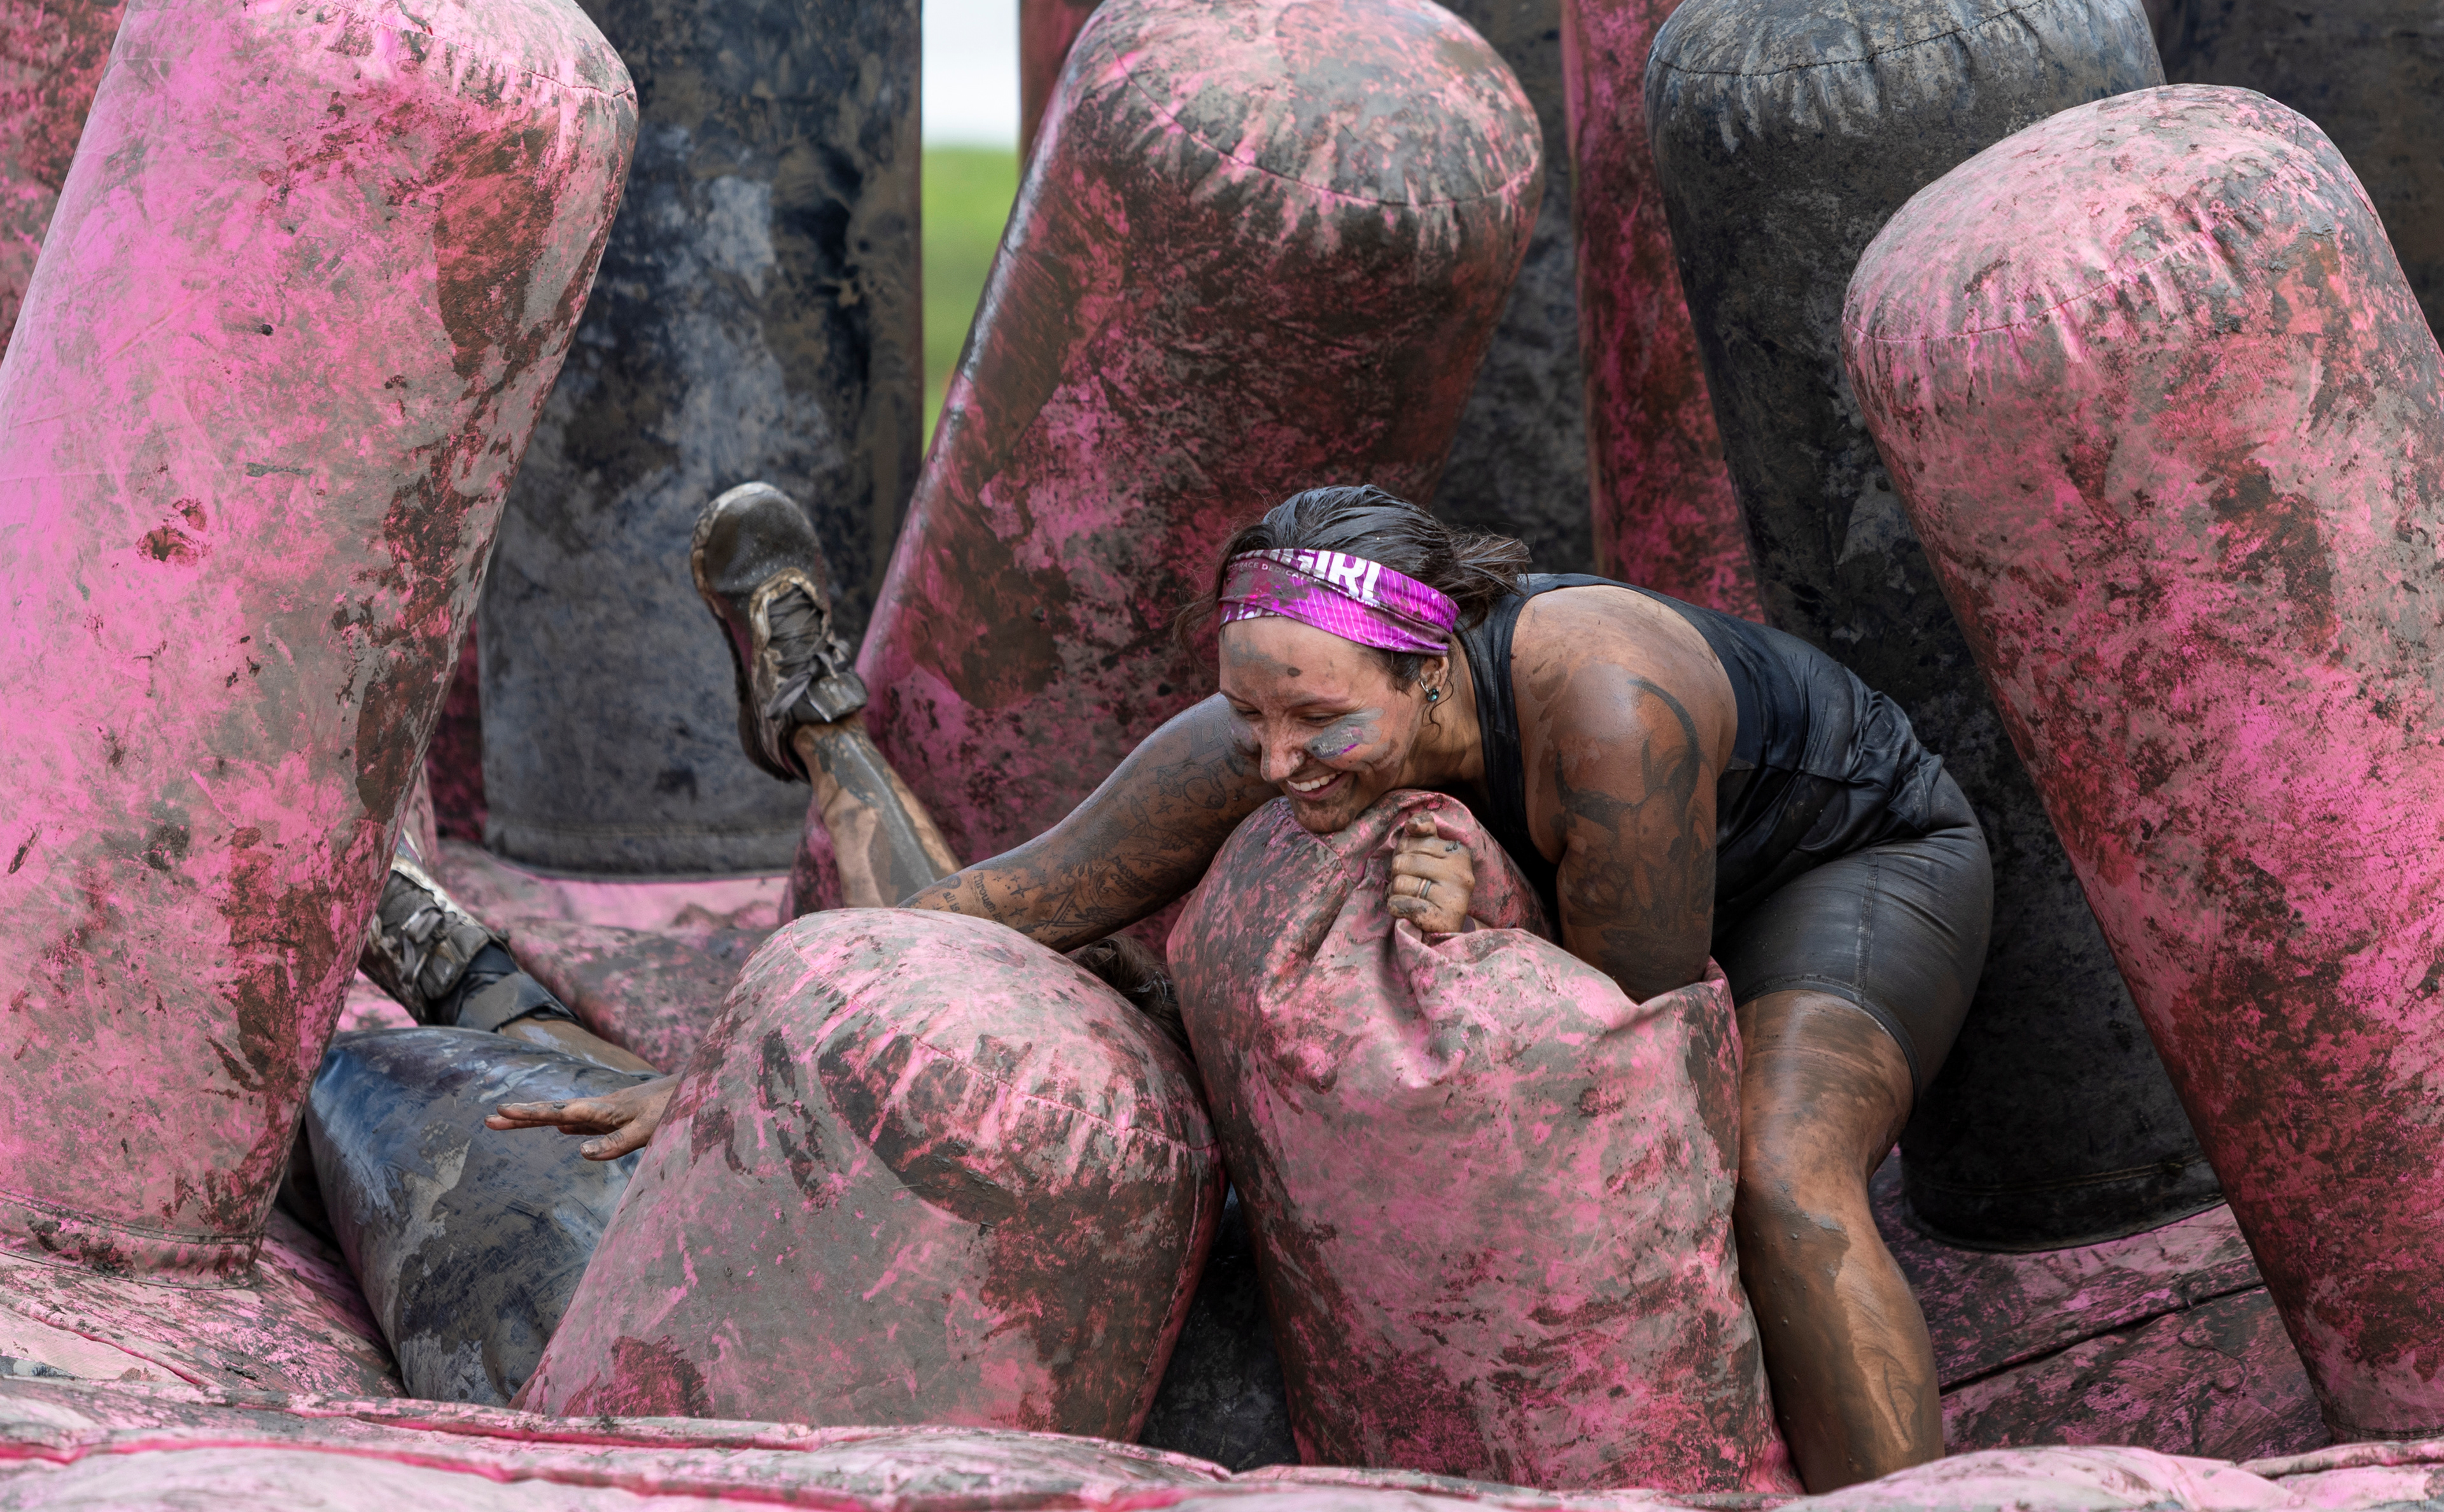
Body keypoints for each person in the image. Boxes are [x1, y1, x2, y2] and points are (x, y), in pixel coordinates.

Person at [495, 480, 1991, 1490]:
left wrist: (1489, 909)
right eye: (1249, 716)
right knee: (1029, 966)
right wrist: (723, 1070)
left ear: (1430, 669)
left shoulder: (1611, 712)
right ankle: (825, 732)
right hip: (1612, 880)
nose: (1275, 766)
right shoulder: (1273, 722)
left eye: (1318, 726)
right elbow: (999, 902)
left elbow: (1630, 1077)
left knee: (1779, 1178)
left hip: (1848, 871)